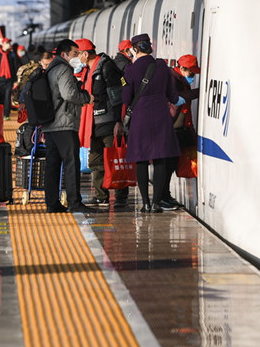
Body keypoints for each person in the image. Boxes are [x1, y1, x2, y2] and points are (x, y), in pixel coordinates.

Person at [122, 34, 180, 213]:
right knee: (161, 158)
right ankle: (156, 203)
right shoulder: (162, 66)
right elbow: (173, 96)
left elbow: (126, 97)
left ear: (134, 49)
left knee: (141, 160)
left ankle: (145, 203)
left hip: (140, 118)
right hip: (161, 117)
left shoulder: (130, 70)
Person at [42, 39, 93, 214]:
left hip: (50, 125)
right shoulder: (63, 69)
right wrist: (86, 98)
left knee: (53, 164)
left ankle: (52, 203)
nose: (77, 57)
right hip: (64, 123)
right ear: (64, 54)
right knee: (72, 163)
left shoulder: (50, 68)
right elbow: (69, 94)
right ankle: (74, 202)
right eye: (74, 54)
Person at [74, 38, 127, 207]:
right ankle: (101, 195)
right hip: (93, 124)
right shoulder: (88, 70)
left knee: (115, 159)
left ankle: (120, 196)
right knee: (96, 160)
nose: (76, 58)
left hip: (109, 122)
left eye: (77, 54)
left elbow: (117, 96)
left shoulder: (106, 67)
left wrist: (119, 121)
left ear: (85, 54)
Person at [161, 54, 201, 210]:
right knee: (167, 165)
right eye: (191, 72)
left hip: (180, 127)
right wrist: (200, 91)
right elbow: (177, 99)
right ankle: (163, 198)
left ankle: (166, 196)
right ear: (182, 68)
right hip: (172, 129)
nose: (193, 76)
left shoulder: (181, 80)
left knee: (171, 165)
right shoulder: (173, 80)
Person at [0, 37, 19, 120]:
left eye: (10, 43)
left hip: (9, 80)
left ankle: (6, 114)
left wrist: (15, 80)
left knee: (7, 97)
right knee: (0, 97)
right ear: (3, 44)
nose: (9, 45)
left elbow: (15, 67)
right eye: (7, 43)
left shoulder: (12, 54)